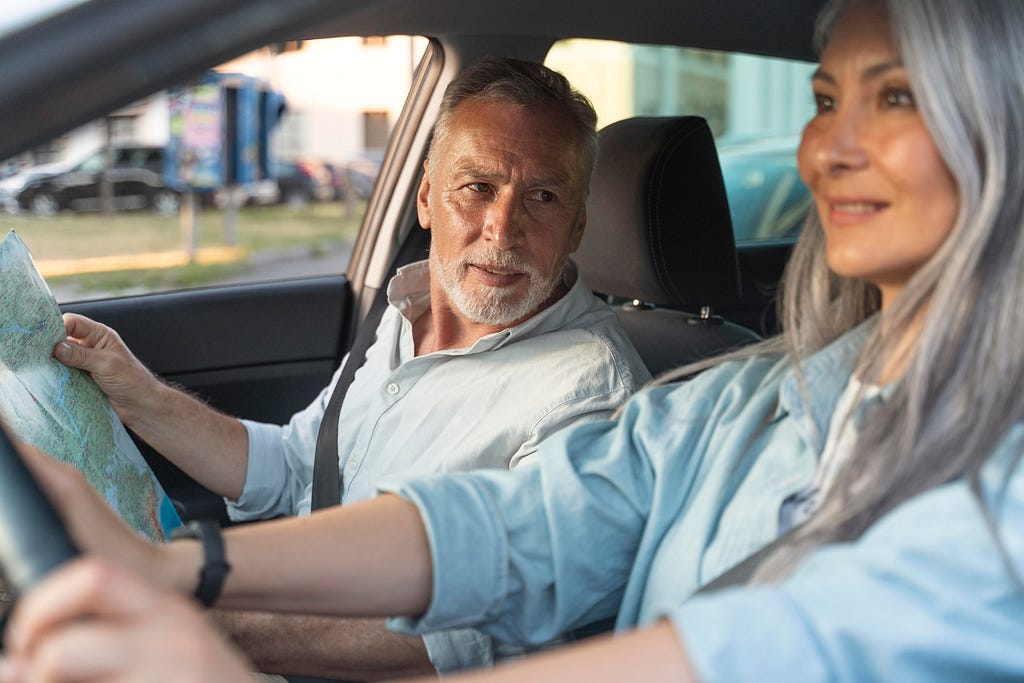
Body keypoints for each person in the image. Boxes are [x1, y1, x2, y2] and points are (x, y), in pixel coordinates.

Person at [4, 0, 1024, 680]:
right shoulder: (750, 391)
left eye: (893, 96)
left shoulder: (1002, 467)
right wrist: (176, 569)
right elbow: (518, 520)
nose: (827, 147)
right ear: (423, 200)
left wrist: (212, 637)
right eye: (823, 98)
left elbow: (773, 644)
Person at [43, 56, 650, 679]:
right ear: (425, 199)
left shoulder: (592, 398)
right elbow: (297, 464)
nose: (503, 228)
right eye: (478, 187)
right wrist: (135, 390)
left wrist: (183, 619)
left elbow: (475, 633)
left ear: (577, 227)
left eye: (543, 197)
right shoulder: (408, 307)